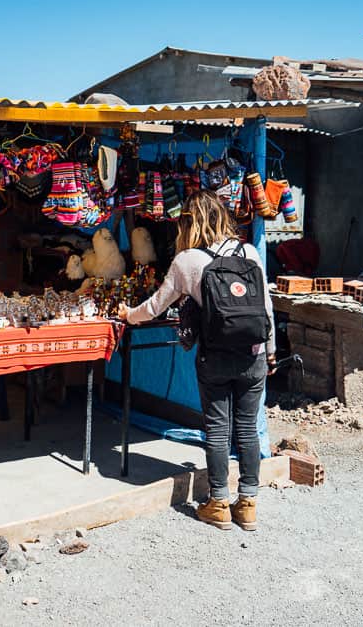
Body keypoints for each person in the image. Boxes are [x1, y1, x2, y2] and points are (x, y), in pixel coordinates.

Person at [118, 190, 275, 531]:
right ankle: (247, 504)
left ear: (188, 223)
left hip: (215, 357)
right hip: (254, 355)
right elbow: (266, 307)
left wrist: (129, 316)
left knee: (218, 429)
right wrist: (271, 349)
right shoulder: (248, 251)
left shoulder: (187, 260)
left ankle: (218, 503)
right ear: (222, 217)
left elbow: (155, 307)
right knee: (247, 428)